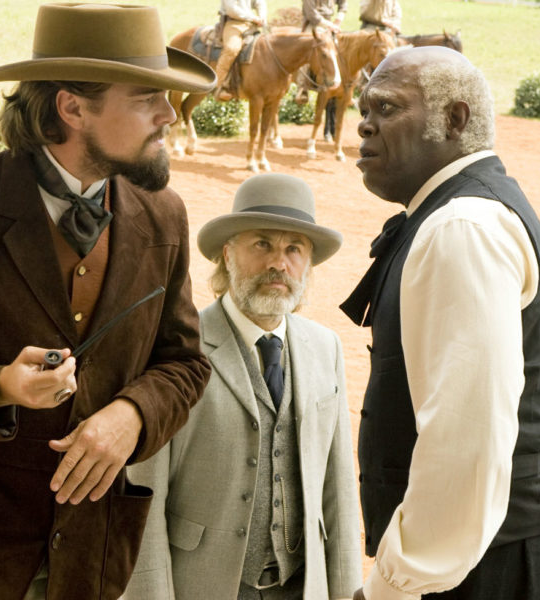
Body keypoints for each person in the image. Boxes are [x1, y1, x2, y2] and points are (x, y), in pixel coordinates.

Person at [0, 4, 215, 599]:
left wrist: (133, 415)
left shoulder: (164, 214)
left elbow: (185, 363)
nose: (170, 114)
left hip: (92, 562)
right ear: (72, 108)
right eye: (147, 97)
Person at [341, 46, 540, 599]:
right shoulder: (465, 212)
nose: (364, 124)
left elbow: (466, 437)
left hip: (483, 566)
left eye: (386, 107)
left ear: (454, 119)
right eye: (364, 109)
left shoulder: (462, 226)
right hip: (498, 550)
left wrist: (395, 584)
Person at [122, 173, 362, 600]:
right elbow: (144, 497)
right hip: (203, 587)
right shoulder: (174, 347)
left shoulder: (326, 348)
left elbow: (338, 490)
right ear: (228, 254)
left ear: (308, 263)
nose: (278, 264)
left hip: (301, 587)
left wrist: (346, 594)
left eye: (294, 249)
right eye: (262, 244)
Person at [213, 0, 267, 102]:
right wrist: (253, 18)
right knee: (232, 49)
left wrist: (262, 16)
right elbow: (232, 10)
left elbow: (259, 2)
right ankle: (218, 85)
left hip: (251, 26)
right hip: (233, 24)